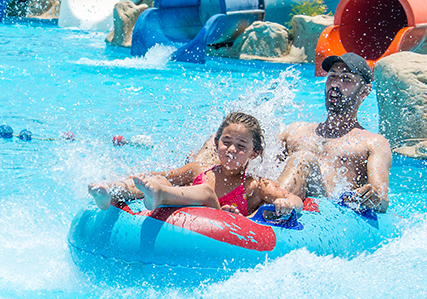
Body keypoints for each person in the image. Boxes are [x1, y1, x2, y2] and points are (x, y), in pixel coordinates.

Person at [88, 112, 303, 218]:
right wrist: (142, 179)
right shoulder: (200, 169)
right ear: (217, 142)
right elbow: (163, 175)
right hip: (180, 222)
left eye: (240, 146)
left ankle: (159, 195)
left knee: (207, 194)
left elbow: (293, 198)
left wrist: (288, 204)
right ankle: (111, 192)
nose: (230, 149)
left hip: (222, 239)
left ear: (254, 154)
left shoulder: (255, 186)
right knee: (159, 180)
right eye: (226, 142)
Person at [276, 53, 392, 213]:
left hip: (328, 212)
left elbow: (382, 199)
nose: (335, 84)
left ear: (365, 92)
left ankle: (270, 211)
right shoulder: (294, 131)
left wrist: (372, 197)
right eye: (332, 76)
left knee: (303, 158)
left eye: (346, 79)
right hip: (287, 203)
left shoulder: (373, 143)